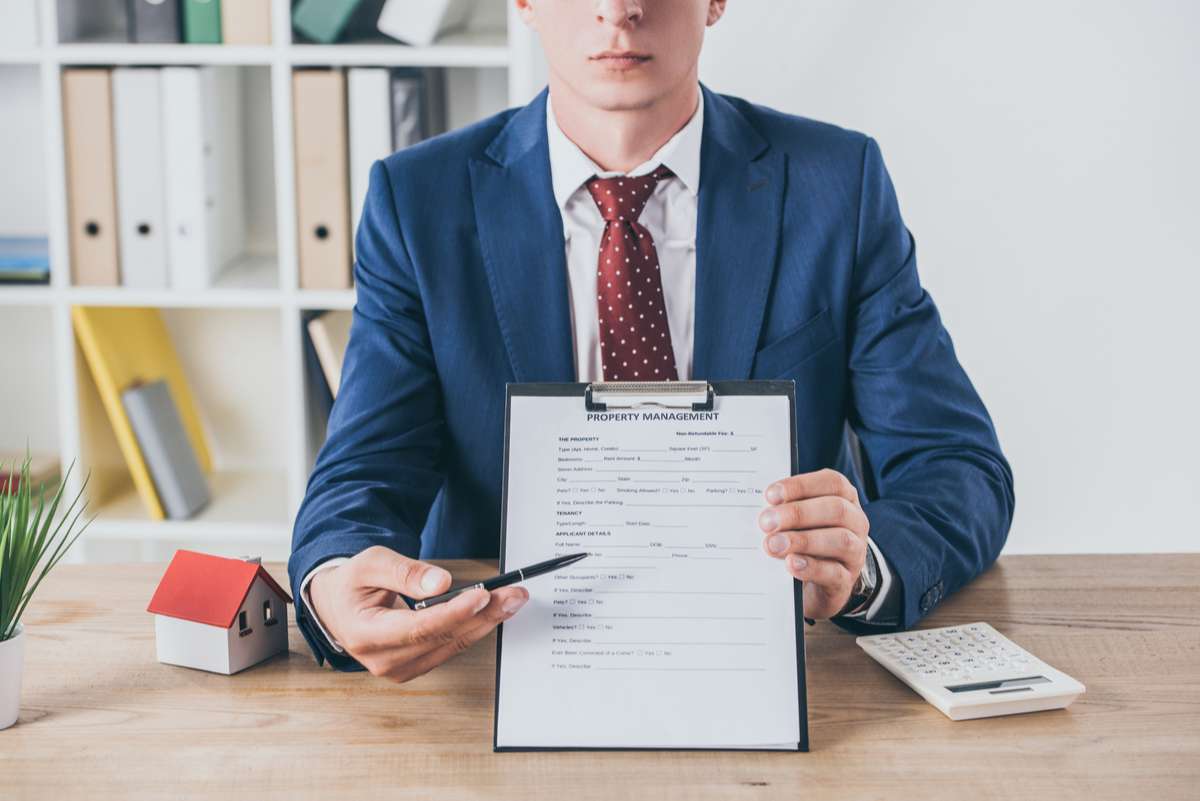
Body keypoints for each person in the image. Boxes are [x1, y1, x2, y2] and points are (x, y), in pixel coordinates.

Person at [289, 0, 1014, 680]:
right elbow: (365, 467)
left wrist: (863, 570)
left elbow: (957, 466)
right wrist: (330, 586)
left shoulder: (836, 186)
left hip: (769, 659)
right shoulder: (415, 202)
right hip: (506, 653)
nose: (620, 7)